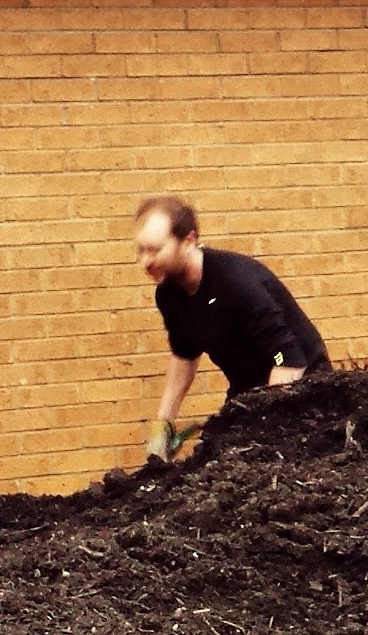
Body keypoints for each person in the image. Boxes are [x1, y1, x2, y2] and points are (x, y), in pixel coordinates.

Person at [136, 195, 331, 455]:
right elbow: (184, 356)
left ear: (188, 241)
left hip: (306, 394)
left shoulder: (237, 285)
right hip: (248, 395)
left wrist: (264, 429)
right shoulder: (169, 296)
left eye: (156, 250)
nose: (146, 262)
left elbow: (289, 361)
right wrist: (164, 425)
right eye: (141, 251)